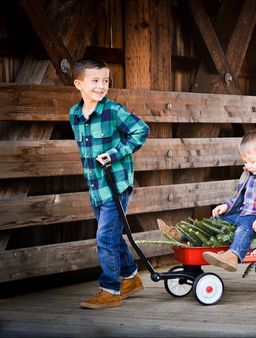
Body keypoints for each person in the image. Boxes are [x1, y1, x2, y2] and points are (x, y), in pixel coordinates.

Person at [69, 59, 150, 309]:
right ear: (78, 84)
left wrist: (115, 153)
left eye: (105, 80)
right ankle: (130, 278)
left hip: (115, 186)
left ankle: (110, 290)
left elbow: (141, 131)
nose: (101, 86)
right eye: (95, 81)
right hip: (95, 186)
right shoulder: (74, 114)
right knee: (113, 235)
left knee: (105, 238)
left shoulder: (113, 111)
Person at [159, 130, 256, 272]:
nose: (248, 165)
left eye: (252, 161)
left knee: (243, 230)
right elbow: (240, 197)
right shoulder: (248, 174)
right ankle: (180, 234)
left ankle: (232, 256)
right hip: (243, 214)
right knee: (216, 222)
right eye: (245, 162)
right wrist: (226, 206)